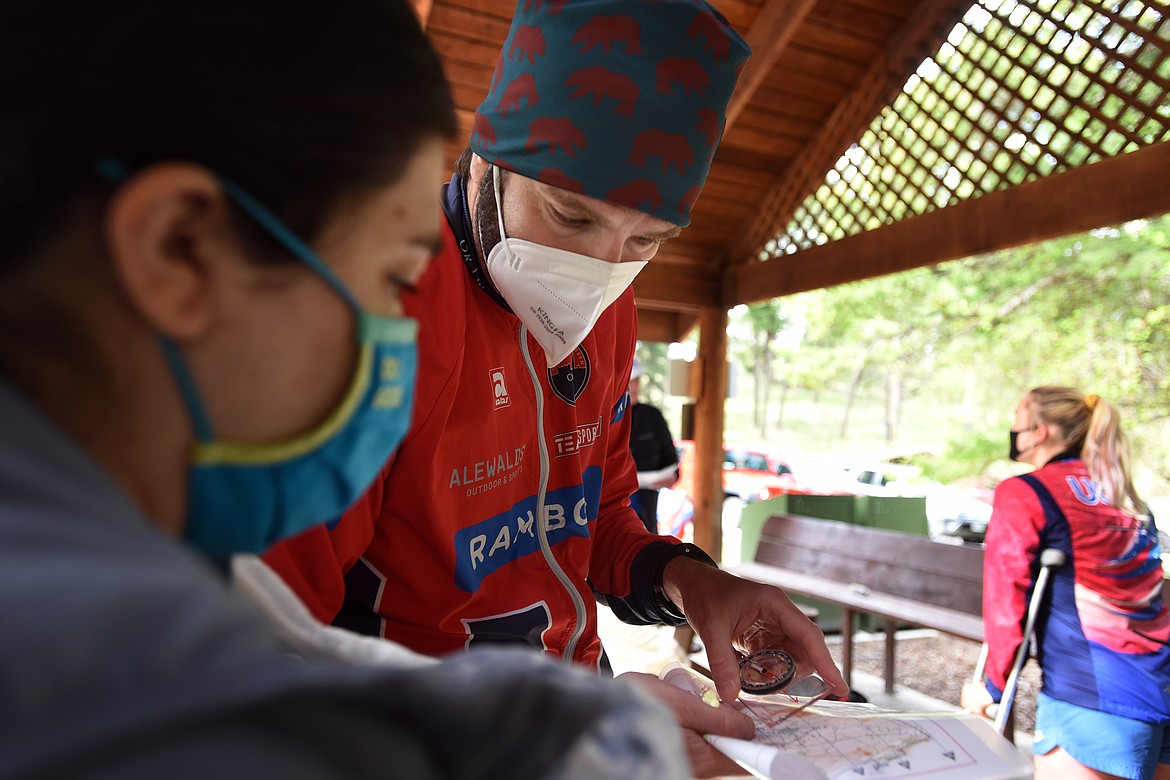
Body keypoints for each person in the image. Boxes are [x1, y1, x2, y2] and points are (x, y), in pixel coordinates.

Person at [0, 1, 693, 777]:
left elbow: (275, 647)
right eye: (395, 277)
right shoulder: (115, 679)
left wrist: (659, 621)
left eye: (643, 244)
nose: (403, 327)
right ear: (179, 250)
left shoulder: (108, 560)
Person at [266, 0, 847, 734]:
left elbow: (594, 517)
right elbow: (262, 651)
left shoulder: (612, 309)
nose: (597, 272)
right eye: (570, 217)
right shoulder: (376, 308)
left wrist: (691, 581)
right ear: (486, 161)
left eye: (648, 242)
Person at [962, 387, 1170, 780]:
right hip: (1158, 686)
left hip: (1091, 700)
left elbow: (1007, 604)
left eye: (1016, 420)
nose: (1011, 429)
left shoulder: (1026, 492)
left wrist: (991, 687)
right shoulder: (1128, 499)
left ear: (1040, 431)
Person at [628, 356, 681, 533]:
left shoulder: (653, 416)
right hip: (612, 498)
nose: (632, 388)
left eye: (636, 382)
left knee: (646, 537)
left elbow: (670, 456)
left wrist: (673, 476)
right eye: (628, 382)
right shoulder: (606, 417)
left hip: (648, 499)